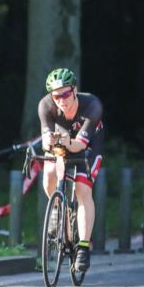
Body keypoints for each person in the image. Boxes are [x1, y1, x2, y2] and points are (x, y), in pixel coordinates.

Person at [37, 67, 104, 273]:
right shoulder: (46, 105)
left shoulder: (92, 105)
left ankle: (83, 246)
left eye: (66, 94)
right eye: (56, 96)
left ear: (74, 90)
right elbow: (46, 141)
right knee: (49, 173)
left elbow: (80, 146)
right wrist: (49, 141)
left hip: (88, 145)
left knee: (83, 190)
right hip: (63, 142)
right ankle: (60, 210)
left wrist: (69, 141)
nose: (61, 100)